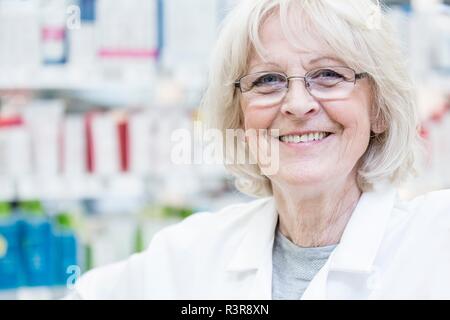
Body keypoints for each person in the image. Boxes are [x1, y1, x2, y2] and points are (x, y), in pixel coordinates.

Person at [68, 0, 450, 299]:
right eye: (268, 80)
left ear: (379, 110)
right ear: (238, 119)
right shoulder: (191, 253)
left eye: (329, 75)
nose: (298, 104)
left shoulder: (436, 241)